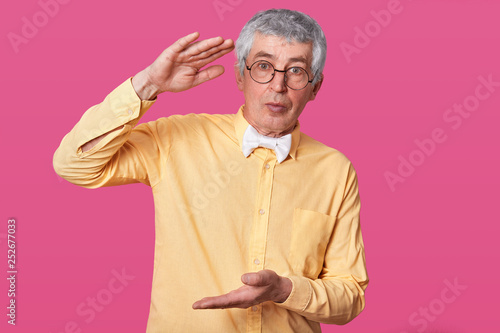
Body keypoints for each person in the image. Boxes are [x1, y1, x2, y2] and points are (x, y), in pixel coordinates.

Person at [53, 8, 369, 333]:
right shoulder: (178, 138)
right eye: (263, 66)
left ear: (315, 86)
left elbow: (350, 294)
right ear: (239, 76)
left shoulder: (335, 170)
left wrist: (285, 290)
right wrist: (147, 84)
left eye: (297, 71)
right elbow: (73, 164)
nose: (278, 85)